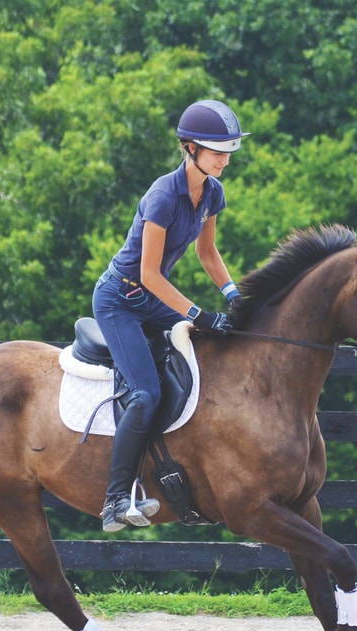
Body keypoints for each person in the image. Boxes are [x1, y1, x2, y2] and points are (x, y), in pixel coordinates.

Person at [92, 99, 249, 532]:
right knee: (145, 394)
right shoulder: (162, 195)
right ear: (189, 149)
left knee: (217, 346)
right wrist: (198, 313)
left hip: (152, 296)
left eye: (228, 151)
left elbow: (207, 251)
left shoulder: (213, 192)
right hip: (121, 299)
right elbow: (148, 274)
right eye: (216, 150)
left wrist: (234, 296)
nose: (224, 159)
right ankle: (115, 500)